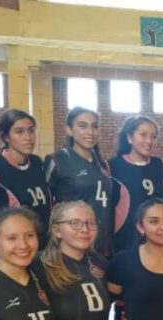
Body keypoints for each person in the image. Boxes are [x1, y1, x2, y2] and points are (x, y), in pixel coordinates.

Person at [44, 107, 119, 259]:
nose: (90, 132)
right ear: (69, 130)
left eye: (94, 126)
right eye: (82, 126)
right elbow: (45, 207)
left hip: (103, 247)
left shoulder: (103, 164)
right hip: (72, 249)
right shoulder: (56, 160)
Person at [110, 116, 163, 253]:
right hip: (125, 242)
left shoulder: (159, 165)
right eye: (143, 135)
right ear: (130, 138)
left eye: (153, 137)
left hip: (156, 242)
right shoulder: (114, 166)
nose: (149, 141)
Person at [0, 109, 51, 247]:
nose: (28, 137)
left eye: (31, 130)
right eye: (19, 132)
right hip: (17, 249)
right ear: (5, 136)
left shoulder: (38, 163)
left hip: (44, 248)